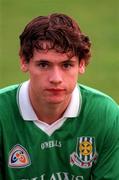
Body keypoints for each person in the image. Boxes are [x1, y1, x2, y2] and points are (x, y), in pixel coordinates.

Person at [0, 13, 119, 180]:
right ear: (24, 61)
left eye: (66, 65)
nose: (56, 78)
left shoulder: (106, 115)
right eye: (43, 64)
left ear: (82, 64)